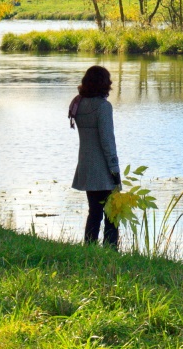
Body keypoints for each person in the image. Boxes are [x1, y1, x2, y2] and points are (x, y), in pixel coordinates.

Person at [68, 65, 121, 248]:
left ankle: (89, 249)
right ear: (104, 84)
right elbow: (107, 142)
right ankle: (111, 253)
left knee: (94, 213)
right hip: (104, 170)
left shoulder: (78, 103)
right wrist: (115, 170)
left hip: (86, 166)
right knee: (112, 215)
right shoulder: (103, 107)